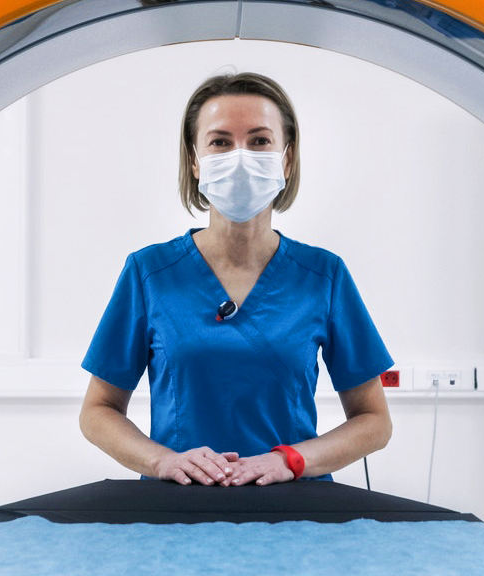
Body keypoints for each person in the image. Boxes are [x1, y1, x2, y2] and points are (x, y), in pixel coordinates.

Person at [77, 72, 394, 487]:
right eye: (220, 142)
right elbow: (97, 411)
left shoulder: (323, 276)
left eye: (260, 141)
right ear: (194, 159)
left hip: (294, 508)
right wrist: (161, 461)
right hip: (178, 509)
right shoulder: (149, 273)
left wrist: (291, 460)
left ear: (287, 157)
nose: (240, 156)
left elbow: (374, 422)